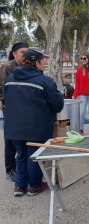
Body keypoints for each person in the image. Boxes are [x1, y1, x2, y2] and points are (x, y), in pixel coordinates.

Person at [4, 49, 64, 196]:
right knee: (35, 155)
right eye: (42, 61)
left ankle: (20, 186)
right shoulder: (44, 81)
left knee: (21, 154)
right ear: (36, 63)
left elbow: (7, 100)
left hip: (14, 126)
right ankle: (35, 185)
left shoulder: (10, 79)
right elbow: (57, 105)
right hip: (37, 126)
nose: (44, 63)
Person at [0, 42, 29, 182]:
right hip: (10, 107)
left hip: (25, 107)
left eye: (26, 52)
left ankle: (22, 165)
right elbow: (1, 85)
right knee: (10, 138)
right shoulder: (7, 67)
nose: (25, 54)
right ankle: (10, 169)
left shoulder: (27, 65)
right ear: (15, 54)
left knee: (24, 137)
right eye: (22, 52)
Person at [72, 52, 89, 135]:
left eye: (84, 58)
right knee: (81, 113)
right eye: (81, 58)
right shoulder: (79, 69)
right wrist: (74, 95)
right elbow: (77, 83)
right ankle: (80, 129)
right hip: (82, 95)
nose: (82, 60)